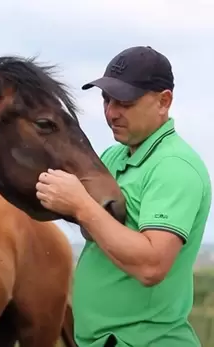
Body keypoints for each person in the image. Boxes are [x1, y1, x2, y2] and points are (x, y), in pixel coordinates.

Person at [35, 46, 212, 347]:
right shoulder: (112, 157)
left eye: (125, 102)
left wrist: (80, 204)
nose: (111, 112)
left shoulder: (174, 166)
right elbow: (97, 231)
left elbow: (151, 266)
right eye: (106, 99)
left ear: (163, 101)